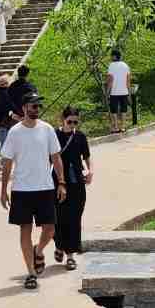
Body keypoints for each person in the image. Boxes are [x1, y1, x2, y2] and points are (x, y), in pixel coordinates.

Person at [0, 92, 64, 289]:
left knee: (50, 228)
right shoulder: (15, 132)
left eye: (38, 106)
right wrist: (3, 190)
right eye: (33, 106)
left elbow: (56, 157)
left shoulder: (47, 130)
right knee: (24, 230)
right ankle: (31, 273)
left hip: (45, 188)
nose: (36, 110)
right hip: (21, 190)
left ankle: (39, 250)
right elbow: (7, 163)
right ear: (24, 108)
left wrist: (61, 182)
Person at [53, 106, 93, 270]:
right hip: (58, 182)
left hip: (77, 181)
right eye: (70, 121)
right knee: (58, 217)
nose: (72, 125)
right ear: (63, 119)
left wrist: (90, 170)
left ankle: (70, 255)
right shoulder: (54, 136)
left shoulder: (80, 137)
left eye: (76, 122)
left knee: (75, 218)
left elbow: (87, 156)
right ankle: (59, 245)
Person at [106, 50, 134, 133]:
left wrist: (107, 92)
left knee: (113, 110)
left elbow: (110, 80)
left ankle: (116, 127)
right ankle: (123, 127)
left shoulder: (111, 66)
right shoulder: (125, 65)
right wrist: (129, 93)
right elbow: (128, 81)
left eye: (111, 56)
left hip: (114, 92)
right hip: (124, 91)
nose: (111, 57)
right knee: (124, 110)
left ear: (114, 56)